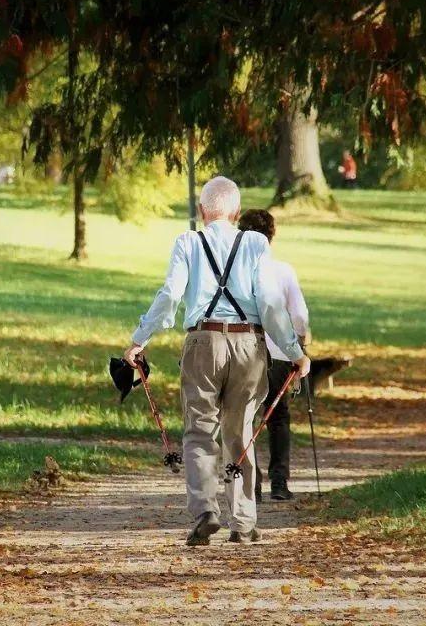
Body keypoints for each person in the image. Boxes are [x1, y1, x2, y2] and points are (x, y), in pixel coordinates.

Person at [124, 176, 311, 546]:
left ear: (201, 212)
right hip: (248, 344)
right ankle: (243, 522)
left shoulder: (187, 242)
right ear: (237, 213)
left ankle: (205, 512)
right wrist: (295, 352)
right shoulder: (256, 243)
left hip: (202, 342)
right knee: (241, 432)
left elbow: (170, 295)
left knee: (198, 430)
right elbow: (271, 305)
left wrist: (139, 340)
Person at [237, 209, 310, 502]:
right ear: (272, 236)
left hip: (245, 351)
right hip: (280, 352)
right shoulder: (283, 271)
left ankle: (250, 485)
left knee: (246, 416)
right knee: (278, 417)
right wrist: (300, 344)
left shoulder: (234, 272)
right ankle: (279, 482)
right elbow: (300, 315)